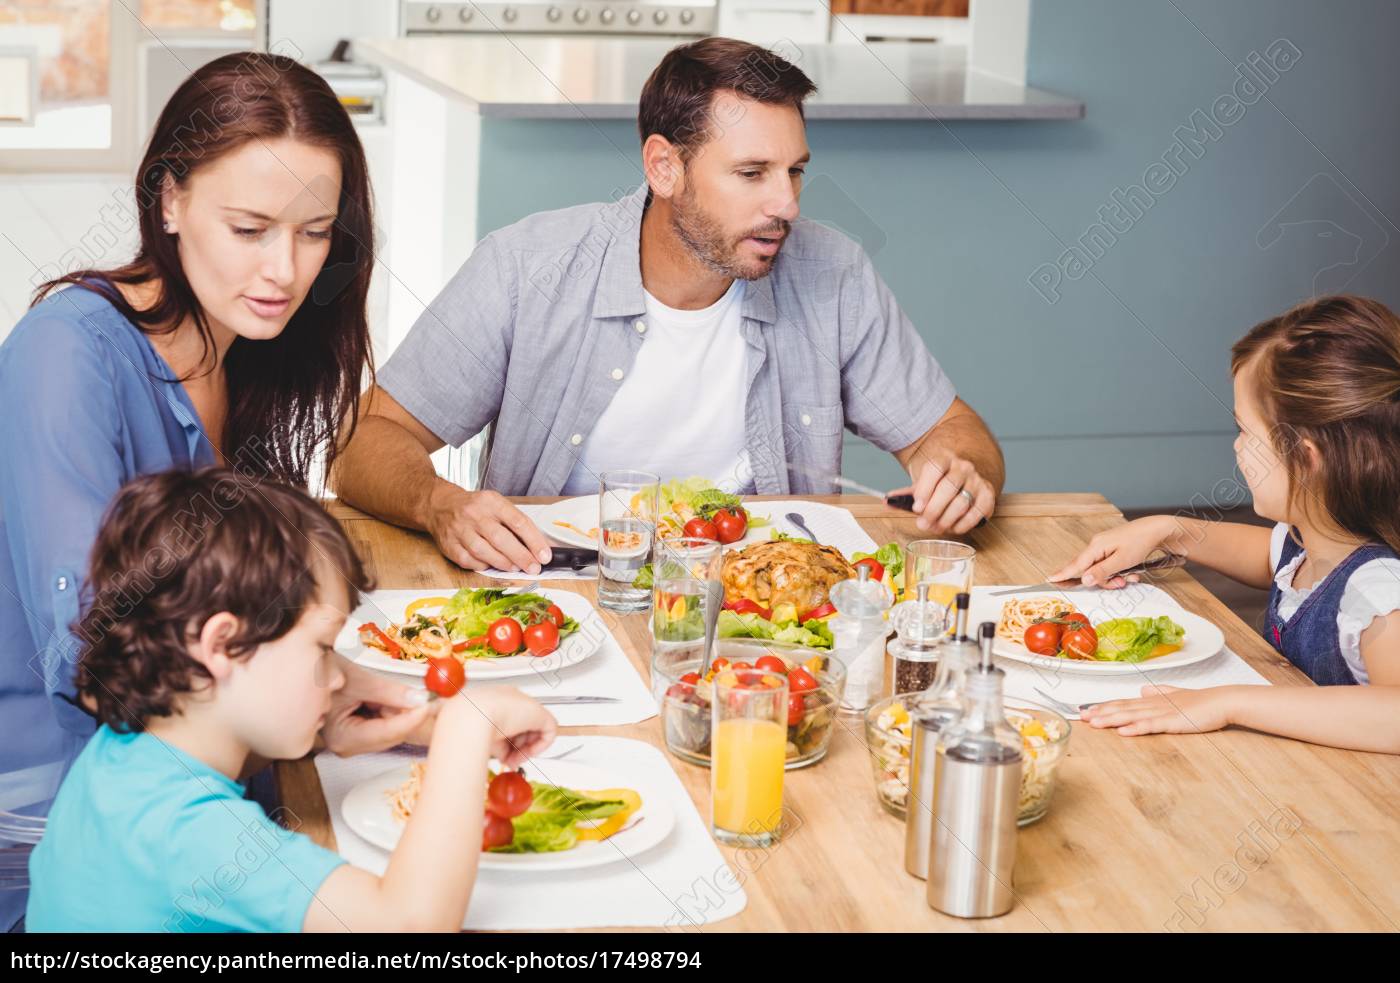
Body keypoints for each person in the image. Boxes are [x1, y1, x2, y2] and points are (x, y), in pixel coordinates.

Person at [0, 52, 428, 930]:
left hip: (208, 775)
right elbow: (93, 650)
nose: (286, 269)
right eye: (251, 228)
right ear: (169, 199)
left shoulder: (245, 350)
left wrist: (338, 688)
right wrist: (312, 708)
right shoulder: (65, 352)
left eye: (315, 232)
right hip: (63, 824)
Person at [332, 37, 1004, 576]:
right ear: (663, 167)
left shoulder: (834, 272)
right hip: (567, 597)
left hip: (763, 608)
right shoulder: (526, 267)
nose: (787, 205)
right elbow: (363, 441)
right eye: (752, 173)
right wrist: (438, 502)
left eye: (795, 170)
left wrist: (959, 474)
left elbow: (950, 431)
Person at [25, 469, 556, 931]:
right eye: (324, 649)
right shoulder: (189, 835)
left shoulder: (127, 754)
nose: (337, 677)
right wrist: (467, 724)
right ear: (220, 645)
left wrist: (325, 726)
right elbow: (407, 923)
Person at [1050, 295, 1400, 754]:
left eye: (1245, 432)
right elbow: (1265, 555)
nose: (1236, 448)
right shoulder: (1316, 543)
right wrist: (1167, 530)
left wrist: (1230, 703)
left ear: (1307, 458)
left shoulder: (1377, 588)